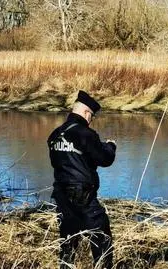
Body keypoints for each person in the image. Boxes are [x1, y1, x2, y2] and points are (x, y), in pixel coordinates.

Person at [47, 90, 117, 269]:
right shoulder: (85, 134)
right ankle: (102, 266)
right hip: (83, 196)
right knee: (101, 235)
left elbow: (60, 162)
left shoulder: (55, 135)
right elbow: (104, 159)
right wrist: (110, 146)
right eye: (92, 116)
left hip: (61, 195)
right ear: (87, 113)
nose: (91, 120)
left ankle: (65, 266)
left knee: (68, 239)